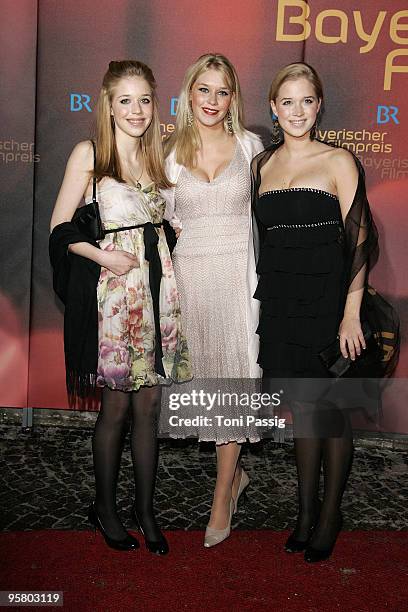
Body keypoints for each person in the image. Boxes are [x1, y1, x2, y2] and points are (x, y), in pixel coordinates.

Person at [49, 60, 191, 555]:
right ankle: (105, 508)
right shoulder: (89, 154)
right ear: (108, 106)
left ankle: (145, 510)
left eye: (145, 100)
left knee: (149, 407)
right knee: (116, 408)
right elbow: (60, 229)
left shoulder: (158, 160)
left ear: (156, 105)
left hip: (157, 297)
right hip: (114, 300)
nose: (136, 110)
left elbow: (164, 224)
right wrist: (103, 254)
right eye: (125, 100)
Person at [251, 62, 380, 562]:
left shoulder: (339, 161)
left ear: (319, 104)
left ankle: (330, 515)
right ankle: (304, 513)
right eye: (287, 102)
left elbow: (360, 240)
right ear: (273, 109)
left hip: (329, 304)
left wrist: (350, 315)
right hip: (282, 304)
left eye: (307, 100)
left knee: (331, 414)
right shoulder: (263, 165)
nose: (297, 111)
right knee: (303, 413)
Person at [159, 53, 264, 548]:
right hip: (190, 280)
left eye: (222, 92)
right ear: (189, 93)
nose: (212, 101)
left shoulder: (251, 146)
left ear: (233, 99)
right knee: (206, 384)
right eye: (204, 89)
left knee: (233, 383)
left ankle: (223, 494)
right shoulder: (168, 152)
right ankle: (236, 477)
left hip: (238, 280)